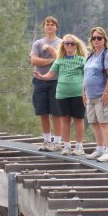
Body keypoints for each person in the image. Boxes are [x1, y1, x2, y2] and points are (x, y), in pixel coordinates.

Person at [34, 34, 88, 156]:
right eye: (67, 43)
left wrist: (87, 92)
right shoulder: (59, 60)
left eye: (72, 43)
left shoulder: (82, 60)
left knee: (78, 119)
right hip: (62, 94)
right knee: (65, 119)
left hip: (78, 94)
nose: (69, 45)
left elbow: (88, 76)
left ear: (76, 46)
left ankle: (79, 146)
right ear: (63, 45)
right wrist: (42, 77)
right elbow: (51, 74)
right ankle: (67, 146)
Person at [83, 27, 108, 162]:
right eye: (94, 38)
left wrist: (106, 93)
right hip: (90, 96)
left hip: (103, 95)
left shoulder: (107, 54)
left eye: (99, 38)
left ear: (104, 40)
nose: (96, 40)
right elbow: (86, 75)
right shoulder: (90, 55)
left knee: (105, 123)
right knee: (94, 122)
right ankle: (100, 149)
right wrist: (83, 92)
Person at [30, 16, 62, 151]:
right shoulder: (37, 43)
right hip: (40, 81)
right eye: (47, 24)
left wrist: (50, 53)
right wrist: (51, 60)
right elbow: (34, 61)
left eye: (52, 24)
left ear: (56, 27)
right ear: (44, 27)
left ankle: (58, 142)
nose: (49, 26)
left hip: (57, 81)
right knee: (42, 111)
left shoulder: (62, 43)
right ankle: (47, 140)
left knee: (56, 112)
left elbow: (62, 59)